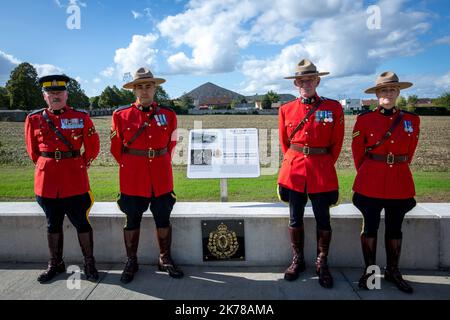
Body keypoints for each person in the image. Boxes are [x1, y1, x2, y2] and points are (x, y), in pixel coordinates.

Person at [24, 74, 100, 283]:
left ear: (66, 94)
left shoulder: (81, 117)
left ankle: (89, 263)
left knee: (82, 223)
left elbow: (93, 146)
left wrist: (81, 162)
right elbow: (33, 151)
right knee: (52, 224)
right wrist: (46, 164)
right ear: (44, 96)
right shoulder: (34, 118)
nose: (55, 95)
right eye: (50, 92)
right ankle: (55, 263)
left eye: (59, 92)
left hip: (74, 179)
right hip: (47, 182)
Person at [110, 67, 182, 284]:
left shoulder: (168, 114)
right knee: (132, 219)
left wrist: (159, 160)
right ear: (133, 90)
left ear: (155, 88)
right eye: (139, 86)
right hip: (133, 177)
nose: (144, 91)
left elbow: (172, 142)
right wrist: (132, 164)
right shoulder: (121, 115)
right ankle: (131, 260)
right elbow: (116, 148)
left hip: (161, 176)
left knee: (163, 217)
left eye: (148, 86)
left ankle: (165, 258)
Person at [278, 59, 345, 288]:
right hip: (295, 170)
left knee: (323, 218)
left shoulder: (333, 108)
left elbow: (336, 144)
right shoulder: (285, 109)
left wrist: (323, 164)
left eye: (310, 79)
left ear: (318, 81)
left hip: (321, 170)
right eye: (301, 80)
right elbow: (285, 144)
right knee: (295, 218)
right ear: (296, 83)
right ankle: (297, 260)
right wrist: (294, 161)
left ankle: (321, 262)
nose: (306, 83)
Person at [352, 72, 420, 294]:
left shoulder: (411, 120)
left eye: (392, 90)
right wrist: (369, 171)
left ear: (398, 92)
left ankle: (393, 271)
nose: (388, 94)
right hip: (370, 181)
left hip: (399, 182)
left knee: (395, 229)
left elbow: (409, 153)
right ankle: (370, 273)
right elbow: (357, 153)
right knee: (370, 228)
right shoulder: (364, 119)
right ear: (377, 94)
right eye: (383, 90)